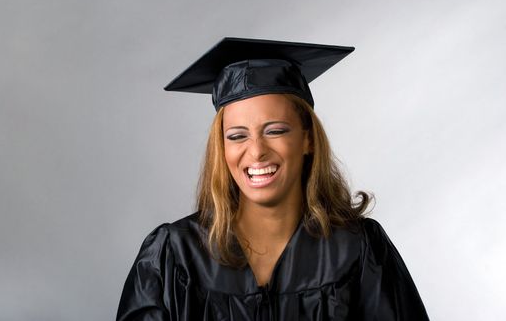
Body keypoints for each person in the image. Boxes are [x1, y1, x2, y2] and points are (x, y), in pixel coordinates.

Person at [116, 38, 429, 320]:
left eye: (275, 130)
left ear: (307, 139)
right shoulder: (175, 253)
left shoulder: (357, 249)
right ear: (221, 149)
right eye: (237, 136)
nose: (256, 152)